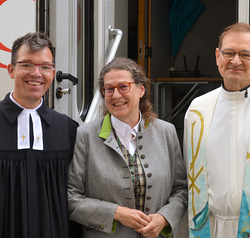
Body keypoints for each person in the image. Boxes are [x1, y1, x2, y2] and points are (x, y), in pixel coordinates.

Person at [68, 57, 187, 238]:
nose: (116, 95)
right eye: (109, 89)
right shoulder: (85, 136)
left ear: (141, 89)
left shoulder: (166, 132)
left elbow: (180, 190)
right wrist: (115, 213)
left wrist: (164, 218)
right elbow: (71, 198)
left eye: (123, 86)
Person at [0, 32, 79, 237]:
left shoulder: (68, 130)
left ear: (52, 74)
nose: (36, 73)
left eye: (45, 67)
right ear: (11, 70)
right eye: (27, 64)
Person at [184, 22, 250, 237]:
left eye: (246, 55)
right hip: (210, 227)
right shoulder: (198, 110)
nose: (236, 61)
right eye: (228, 53)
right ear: (217, 56)